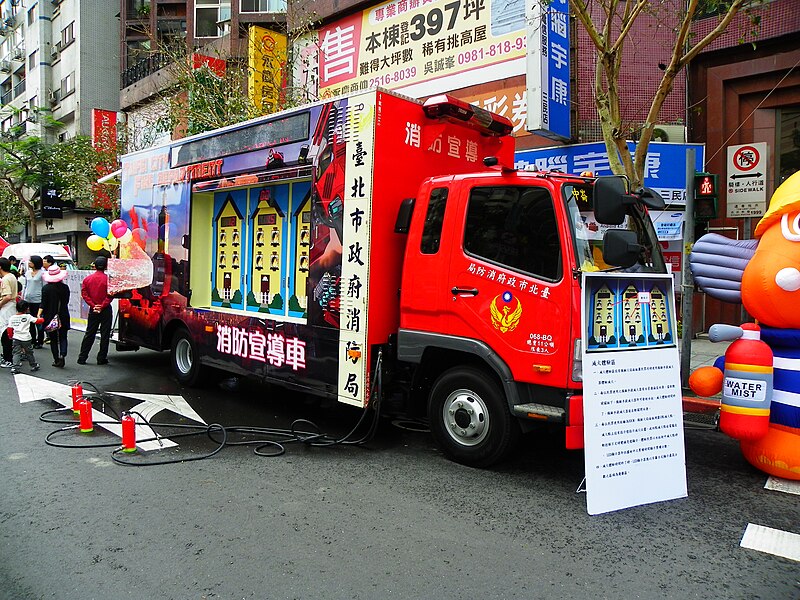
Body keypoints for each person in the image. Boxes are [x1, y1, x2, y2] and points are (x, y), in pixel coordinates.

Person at [77, 256, 112, 365]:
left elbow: (84, 294)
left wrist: (93, 305)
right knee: (105, 334)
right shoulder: (109, 280)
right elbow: (111, 294)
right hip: (105, 309)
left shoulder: (87, 279)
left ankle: (82, 357)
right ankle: (101, 358)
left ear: (94, 266)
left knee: (90, 333)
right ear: (106, 266)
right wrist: (102, 305)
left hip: (93, 309)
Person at [39, 264, 70, 368]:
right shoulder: (65, 288)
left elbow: (43, 304)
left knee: (53, 339)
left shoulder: (46, 289)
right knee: (63, 336)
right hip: (63, 314)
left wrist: (38, 315)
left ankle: (56, 359)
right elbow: (66, 301)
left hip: (50, 316)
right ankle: (62, 354)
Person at [7, 300, 43, 374]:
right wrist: (43, 318)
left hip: (16, 338)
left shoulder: (12, 318)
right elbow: (38, 321)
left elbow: (9, 329)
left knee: (16, 353)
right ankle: (33, 365)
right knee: (29, 352)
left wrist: (11, 336)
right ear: (27, 309)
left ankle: (15, 367)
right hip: (26, 338)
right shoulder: (28, 317)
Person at [0, 257, 18, 368]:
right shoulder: (12, 276)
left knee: (5, 333)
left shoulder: (6, 279)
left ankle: (8, 359)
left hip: (7, 306)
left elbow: (7, 296)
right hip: (12, 306)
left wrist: (0, 304)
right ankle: (10, 356)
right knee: (9, 332)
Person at [23, 255, 45, 348]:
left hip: (38, 300)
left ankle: (40, 341)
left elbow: (44, 287)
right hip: (28, 299)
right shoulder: (28, 273)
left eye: (31, 261)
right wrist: (23, 298)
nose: (29, 263)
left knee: (38, 321)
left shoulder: (43, 273)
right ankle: (32, 340)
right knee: (30, 321)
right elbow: (25, 286)